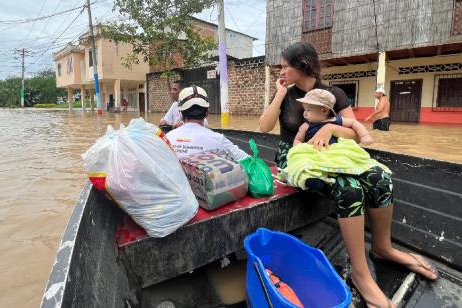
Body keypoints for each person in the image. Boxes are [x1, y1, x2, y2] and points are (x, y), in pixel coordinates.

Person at [259, 42, 437, 308]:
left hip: (332, 154)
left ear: (303, 66)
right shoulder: (288, 94)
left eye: (285, 65)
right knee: (349, 187)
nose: (281, 70)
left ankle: (382, 248)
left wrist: (329, 129)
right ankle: (360, 273)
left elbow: (354, 132)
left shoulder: (334, 94)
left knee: (380, 178)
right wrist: (279, 93)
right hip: (297, 158)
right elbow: (264, 127)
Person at [166, 85, 248, 161]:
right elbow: (251, 164)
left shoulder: (166, 139)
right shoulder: (219, 140)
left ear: (180, 113)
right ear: (207, 113)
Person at [293, 88, 373, 146]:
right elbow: (298, 140)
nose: (304, 113)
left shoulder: (336, 120)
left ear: (324, 110)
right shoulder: (306, 126)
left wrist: (364, 135)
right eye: (304, 109)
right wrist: (300, 147)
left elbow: (353, 122)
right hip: (315, 155)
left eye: (308, 110)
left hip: (336, 153)